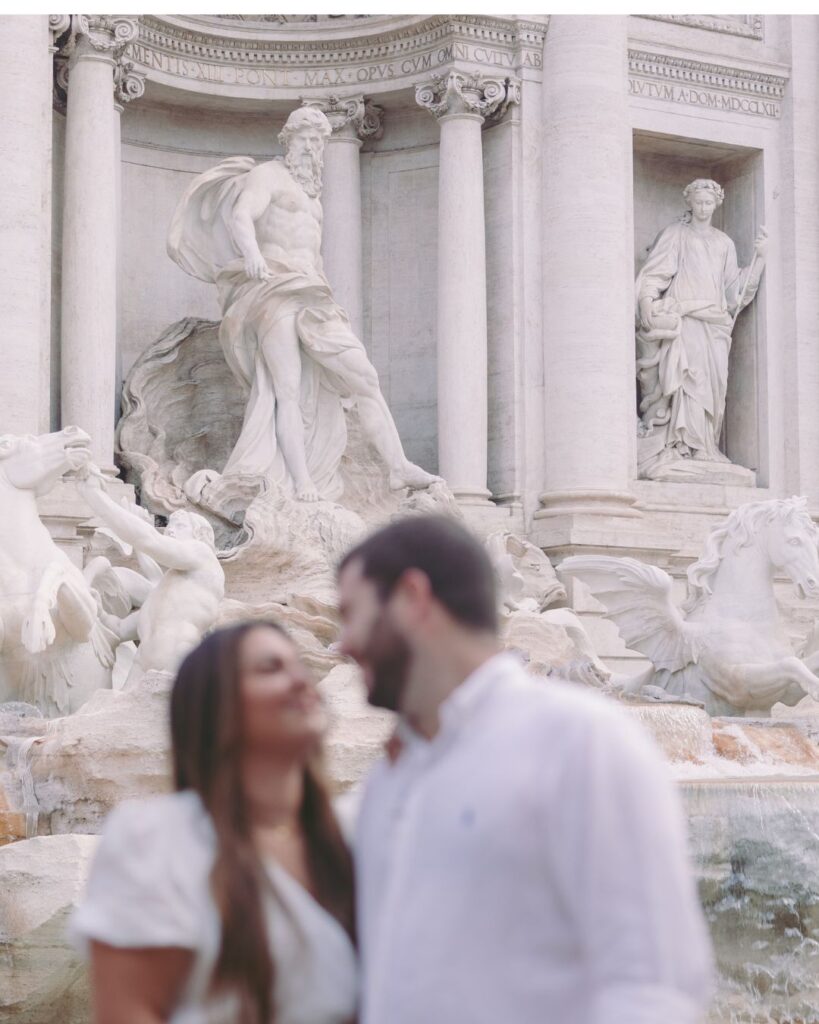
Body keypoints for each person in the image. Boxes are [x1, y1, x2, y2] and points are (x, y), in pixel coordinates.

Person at [337, 514, 714, 1024]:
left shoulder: (580, 740)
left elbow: (653, 988)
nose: (342, 643)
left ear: (412, 598)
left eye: (350, 613)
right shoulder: (390, 778)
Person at [71, 622, 357, 1024]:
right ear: (216, 704)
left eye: (299, 667)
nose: (301, 681)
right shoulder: (158, 841)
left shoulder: (350, 835)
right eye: (270, 668)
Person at [168, 104, 438, 502]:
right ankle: (301, 482)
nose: (313, 148)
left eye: (319, 141)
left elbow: (314, 253)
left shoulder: (315, 198)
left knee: (364, 376)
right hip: (272, 288)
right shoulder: (267, 176)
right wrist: (253, 255)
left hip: (313, 293)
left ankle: (397, 466)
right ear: (288, 139)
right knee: (286, 390)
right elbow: (241, 216)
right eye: (306, 139)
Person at [635, 178, 767, 477]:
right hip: (686, 319)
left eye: (709, 203)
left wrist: (759, 260)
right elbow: (655, 273)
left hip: (715, 323)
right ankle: (681, 444)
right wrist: (646, 300)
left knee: (712, 388)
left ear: (716, 204)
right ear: (690, 203)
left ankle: (706, 446)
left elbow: (734, 290)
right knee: (687, 381)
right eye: (699, 202)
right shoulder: (676, 234)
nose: (704, 208)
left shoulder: (724, 243)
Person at [76, 467, 225, 677]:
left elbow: (149, 540)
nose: (171, 530)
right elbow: (119, 630)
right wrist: (99, 610)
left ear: (200, 535)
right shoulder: (165, 592)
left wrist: (96, 497)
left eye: (180, 526)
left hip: (177, 664)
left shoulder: (203, 556)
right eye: (170, 525)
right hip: (141, 666)